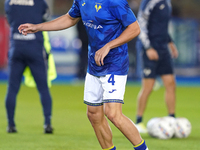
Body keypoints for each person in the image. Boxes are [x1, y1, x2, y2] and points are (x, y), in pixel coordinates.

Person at [18, 0, 149, 149]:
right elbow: (70, 18)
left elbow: (134, 28)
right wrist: (38, 27)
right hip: (94, 63)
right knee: (93, 114)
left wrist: (109, 46)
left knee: (113, 114)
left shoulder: (114, 2)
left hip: (115, 63)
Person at [4, 0, 55, 134]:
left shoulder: (9, 2)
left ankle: (10, 124)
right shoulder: (40, 2)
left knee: (12, 88)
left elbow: (9, 18)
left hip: (17, 47)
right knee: (43, 88)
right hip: (35, 48)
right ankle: (47, 123)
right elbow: (46, 18)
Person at [135, 0, 179, 133]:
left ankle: (171, 118)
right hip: (150, 48)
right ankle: (139, 121)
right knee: (148, 86)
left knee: (171, 83)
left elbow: (163, 26)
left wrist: (170, 43)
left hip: (163, 49)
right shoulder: (149, 2)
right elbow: (140, 25)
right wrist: (148, 47)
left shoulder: (167, 2)